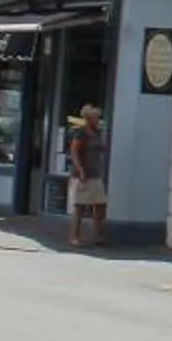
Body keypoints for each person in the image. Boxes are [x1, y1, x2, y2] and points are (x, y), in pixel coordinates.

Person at [65, 103, 108, 248]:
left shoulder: (96, 132)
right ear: (89, 118)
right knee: (79, 206)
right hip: (82, 174)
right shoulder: (81, 132)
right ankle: (74, 237)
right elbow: (74, 151)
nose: (98, 119)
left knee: (100, 204)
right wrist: (80, 169)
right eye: (96, 117)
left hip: (95, 173)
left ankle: (98, 235)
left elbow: (102, 148)